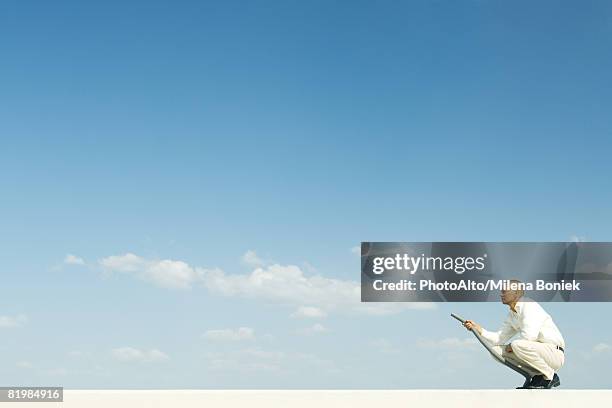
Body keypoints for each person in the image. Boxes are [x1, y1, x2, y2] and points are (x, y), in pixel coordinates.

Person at [463, 280, 565, 389]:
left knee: (517, 345)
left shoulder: (529, 305)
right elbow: (498, 339)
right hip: (538, 352)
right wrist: (478, 329)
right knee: (495, 351)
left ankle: (550, 376)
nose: (501, 294)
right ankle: (537, 376)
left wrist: (510, 346)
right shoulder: (512, 314)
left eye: (504, 291)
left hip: (553, 353)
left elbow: (529, 337)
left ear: (516, 293)